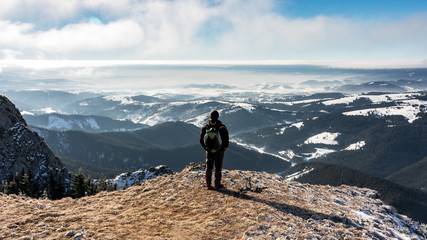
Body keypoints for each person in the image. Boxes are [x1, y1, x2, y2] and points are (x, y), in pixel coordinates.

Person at [200, 110, 229, 189]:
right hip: (219, 151)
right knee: (218, 167)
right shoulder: (222, 127)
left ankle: (208, 183)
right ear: (218, 116)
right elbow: (226, 139)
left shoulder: (205, 127)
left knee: (209, 167)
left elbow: (201, 139)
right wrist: (223, 148)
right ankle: (217, 183)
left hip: (209, 151)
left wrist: (206, 148)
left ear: (210, 116)